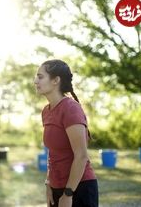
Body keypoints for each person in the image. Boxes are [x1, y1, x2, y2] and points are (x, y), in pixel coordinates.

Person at [34, 59, 98, 207]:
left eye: (40, 76)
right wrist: (49, 183)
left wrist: (68, 194)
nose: (35, 81)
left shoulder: (70, 108)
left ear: (56, 80)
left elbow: (81, 156)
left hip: (79, 188)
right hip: (56, 187)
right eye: (36, 76)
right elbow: (53, 152)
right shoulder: (46, 111)